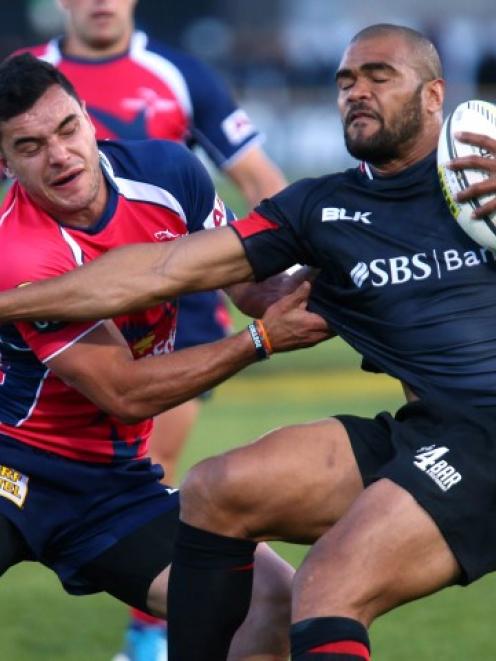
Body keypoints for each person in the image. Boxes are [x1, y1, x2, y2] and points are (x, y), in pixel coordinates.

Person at [4, 23, 496, 660]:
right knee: (218, 487)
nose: (358, 92)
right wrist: (263, 337)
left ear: (436, 95)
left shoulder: (479, 187)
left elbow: (231, 286)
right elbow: (163, 280)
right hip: (17, 465)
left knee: (325, 589)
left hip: (482, 431)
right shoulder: (319, 210)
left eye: (380, 76)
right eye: (346, 80)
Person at [0, 53, 330, 661]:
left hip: (112, 487)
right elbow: (123, 391)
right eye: (30, 145)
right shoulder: (18, 254)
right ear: (5, 162)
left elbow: (248, 286)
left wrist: (327, 280)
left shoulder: (169, 172)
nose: (60, 155)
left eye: (68, 129)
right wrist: (260, 342)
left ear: (89, 120)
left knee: (275, 600)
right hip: (13, 467)